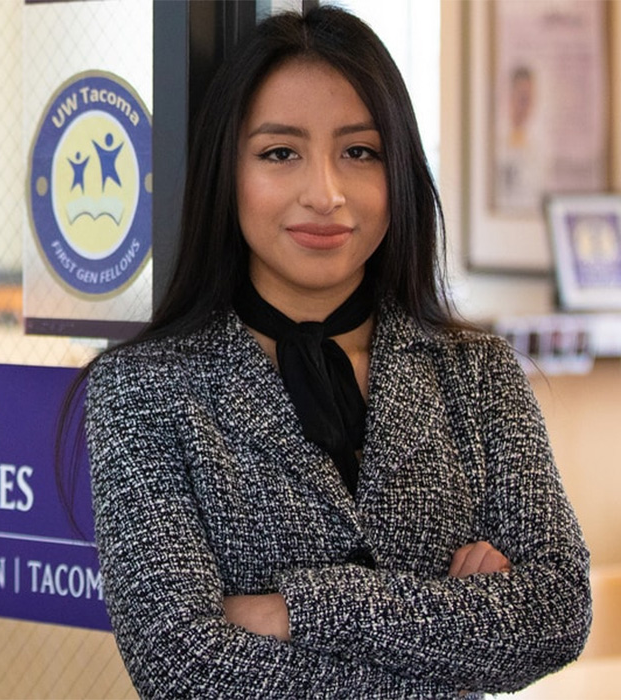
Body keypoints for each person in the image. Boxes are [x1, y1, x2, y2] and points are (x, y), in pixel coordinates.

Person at [74, 6, 591, 698]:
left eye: (360, 152)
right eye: (280, 153)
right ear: (227, 173)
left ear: (399, 170)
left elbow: (556, 612)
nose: (325, 193)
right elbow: (183, 664)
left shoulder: (477, 373)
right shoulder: (141, 389)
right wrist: (457, 631)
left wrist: (294, 610)